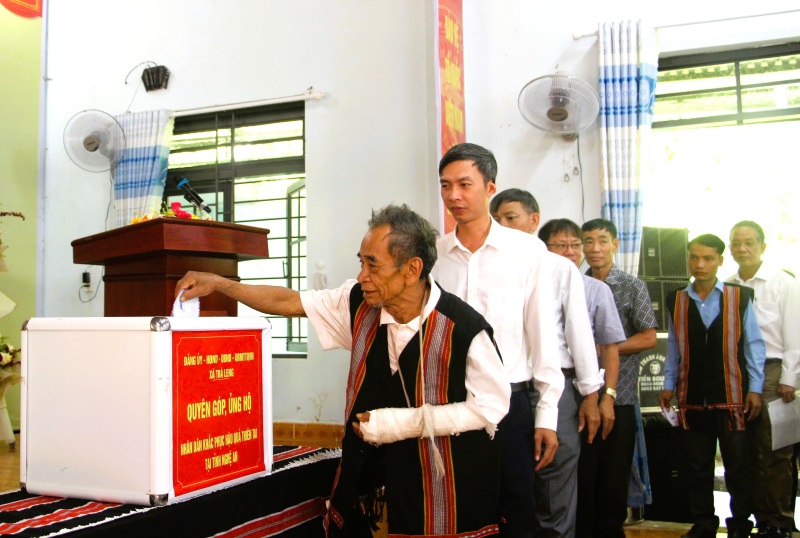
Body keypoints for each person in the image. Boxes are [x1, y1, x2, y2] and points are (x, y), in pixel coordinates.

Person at [175, 204, 511, 537]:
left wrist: (399, 424)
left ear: (412, 269)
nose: (362, 275)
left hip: (441, 495)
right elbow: (289, 302)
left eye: (373, 265)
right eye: (361, 262)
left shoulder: (465, 329)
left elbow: (491, 407)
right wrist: (221, 284)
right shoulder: (358, 304)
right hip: (368, 493)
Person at [431, 144, 563, 538]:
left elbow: (542, 335)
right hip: (450, 402)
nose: (454, 196)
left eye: (464, 184)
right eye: (445, 185)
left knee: (515, 507)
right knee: (457, 506)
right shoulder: (434, 254)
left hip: (511, 404)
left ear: (490, 187)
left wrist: (547, 416)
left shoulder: (526, 251)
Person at [491, 189, 616, 538]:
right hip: (507, 387)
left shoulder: (559, 267)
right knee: (512, 481)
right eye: (497, 219)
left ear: (534, 221)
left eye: (511, 217)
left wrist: (591, 395)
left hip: (557, 386)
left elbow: (578, 332)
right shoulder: (489, 266)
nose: (503, 225)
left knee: (555, 477)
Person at [658, 233, 765, 538]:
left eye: (707, 258)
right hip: (691, 397)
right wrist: (668, 384)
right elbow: (675, 347)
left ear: (720, 259)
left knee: (738, 467)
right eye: (694, 257)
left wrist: (754, 388)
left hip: (732, 396)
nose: (700, 264)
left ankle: (741, 525)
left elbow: (754, 346)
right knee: (697, 467)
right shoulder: (676, 297)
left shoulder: (739, 296)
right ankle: (704, 523)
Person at [578, 218, 658, 538]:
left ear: (615, 244)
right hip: (581, 394)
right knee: (585, 474)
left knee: (613, 476)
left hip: (619, 394)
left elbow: (649, 337)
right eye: (588, 241)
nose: (594, 248)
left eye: (602, 241)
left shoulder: (631, 285)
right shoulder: (576, 284)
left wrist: (607, 346)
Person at [726, 220, 800, 538]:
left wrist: (790, 378)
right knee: (744, 453)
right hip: (738, 373)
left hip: (775, 373)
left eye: (749, 243)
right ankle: (759, 519)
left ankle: (780, 522)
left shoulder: (782, 283)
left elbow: (795, 335)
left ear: (762, 246)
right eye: (736, 243)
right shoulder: (727, 285)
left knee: (776, 450)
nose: (742, 249)